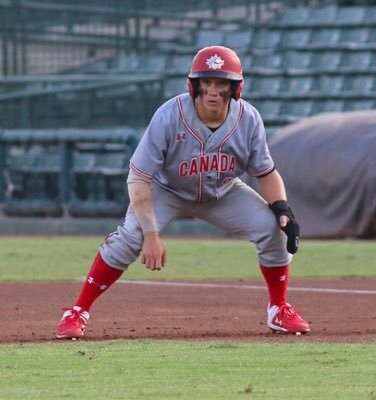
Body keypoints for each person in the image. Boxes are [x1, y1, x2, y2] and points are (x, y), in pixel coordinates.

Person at [56, 46, 310, 339]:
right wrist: (151, 235)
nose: (214, 91)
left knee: (273, 229)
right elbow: (138, 179)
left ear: (235, 88)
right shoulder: (169, 116)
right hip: (168, 190)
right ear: (194, 86)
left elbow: (265, 172)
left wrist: (282, 209)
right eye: (207, 83)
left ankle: (279, 308)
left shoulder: (248, 119)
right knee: (130, 237)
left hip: (222, 192)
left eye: (221, 83)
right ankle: (77, 310)